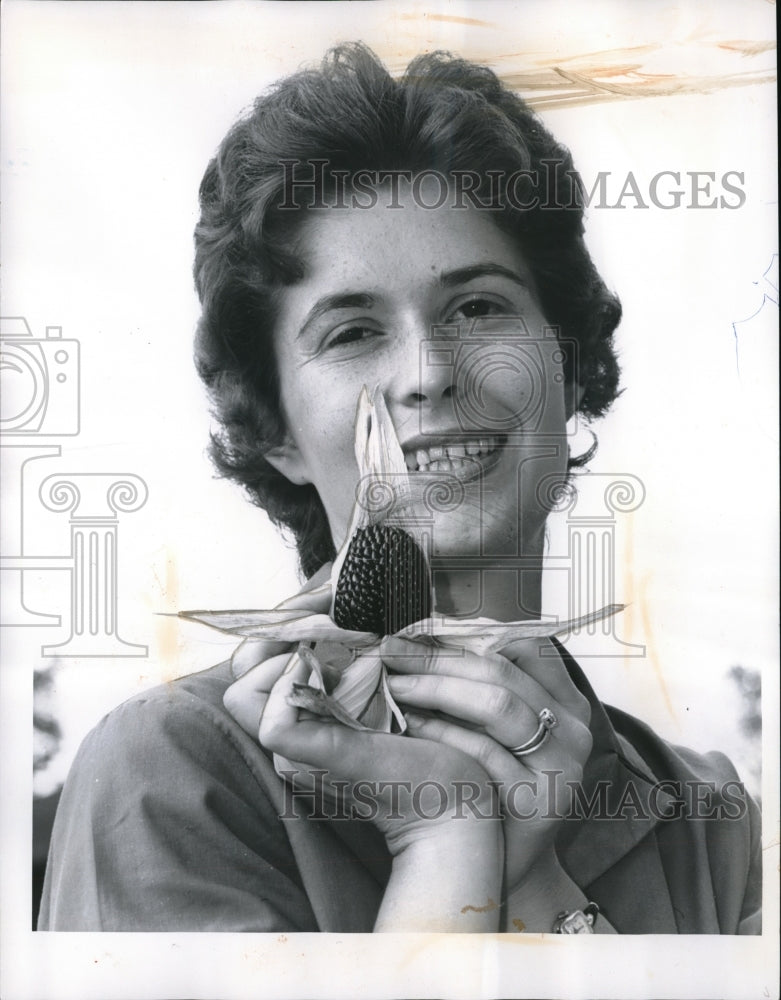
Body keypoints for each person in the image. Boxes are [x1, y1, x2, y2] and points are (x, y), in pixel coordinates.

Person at [38, 43, 761, 934]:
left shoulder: (705, 822)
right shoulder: (173, 774)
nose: (426, 372)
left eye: (479, 308)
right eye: (349, 334)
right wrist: (446, 838)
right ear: (273, 430)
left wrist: (536, 886)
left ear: (568, 369)